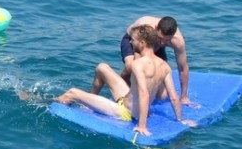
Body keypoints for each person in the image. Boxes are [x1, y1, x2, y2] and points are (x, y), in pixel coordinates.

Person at [57, 25, 195, 137]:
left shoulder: (138, 64)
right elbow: (174, 97)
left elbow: (144, 93)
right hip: (130, 103)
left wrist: (142, 126)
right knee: (102, 68)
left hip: (125, 112)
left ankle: (48, 103)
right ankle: (88, 105)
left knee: (72, 93)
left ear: (142, 43)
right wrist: (181, 120)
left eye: (133, 40)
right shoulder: (164, 66)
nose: (130, 42)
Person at [120, 15, 193, 104]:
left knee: (163, 96)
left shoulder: (178, 41)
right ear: (156, 28)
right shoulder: (143, 25)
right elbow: (135, 42)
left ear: (172, 35)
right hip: (133, 42)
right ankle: (122, 80)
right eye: (160, 38)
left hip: (155, 48)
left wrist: (184, 97)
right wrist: (137, 63)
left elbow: (183, 68)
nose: (162, 42)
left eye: (167, 40)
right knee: (131, 67)